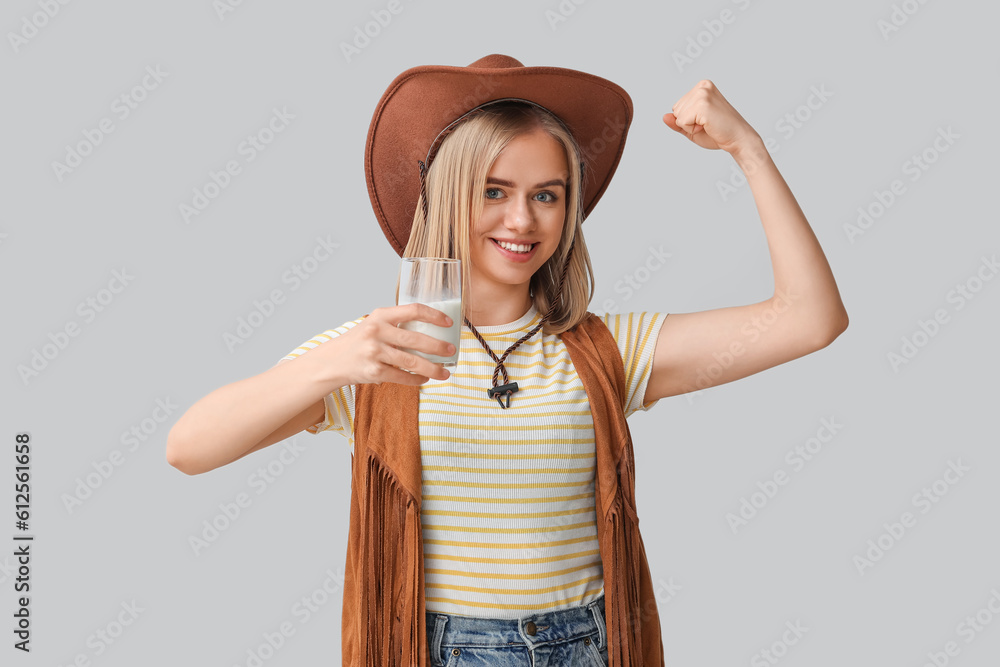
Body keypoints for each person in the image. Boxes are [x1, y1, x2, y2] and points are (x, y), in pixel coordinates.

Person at [167, 54, 848, 667]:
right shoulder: (381, 351)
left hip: (587, 645)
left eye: (546, 194)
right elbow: (188, 447)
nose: (522, 220)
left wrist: (748, 151)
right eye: (494, 190)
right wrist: (333, 363)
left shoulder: (608, 352)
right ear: (446, 195)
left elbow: (810, 319)